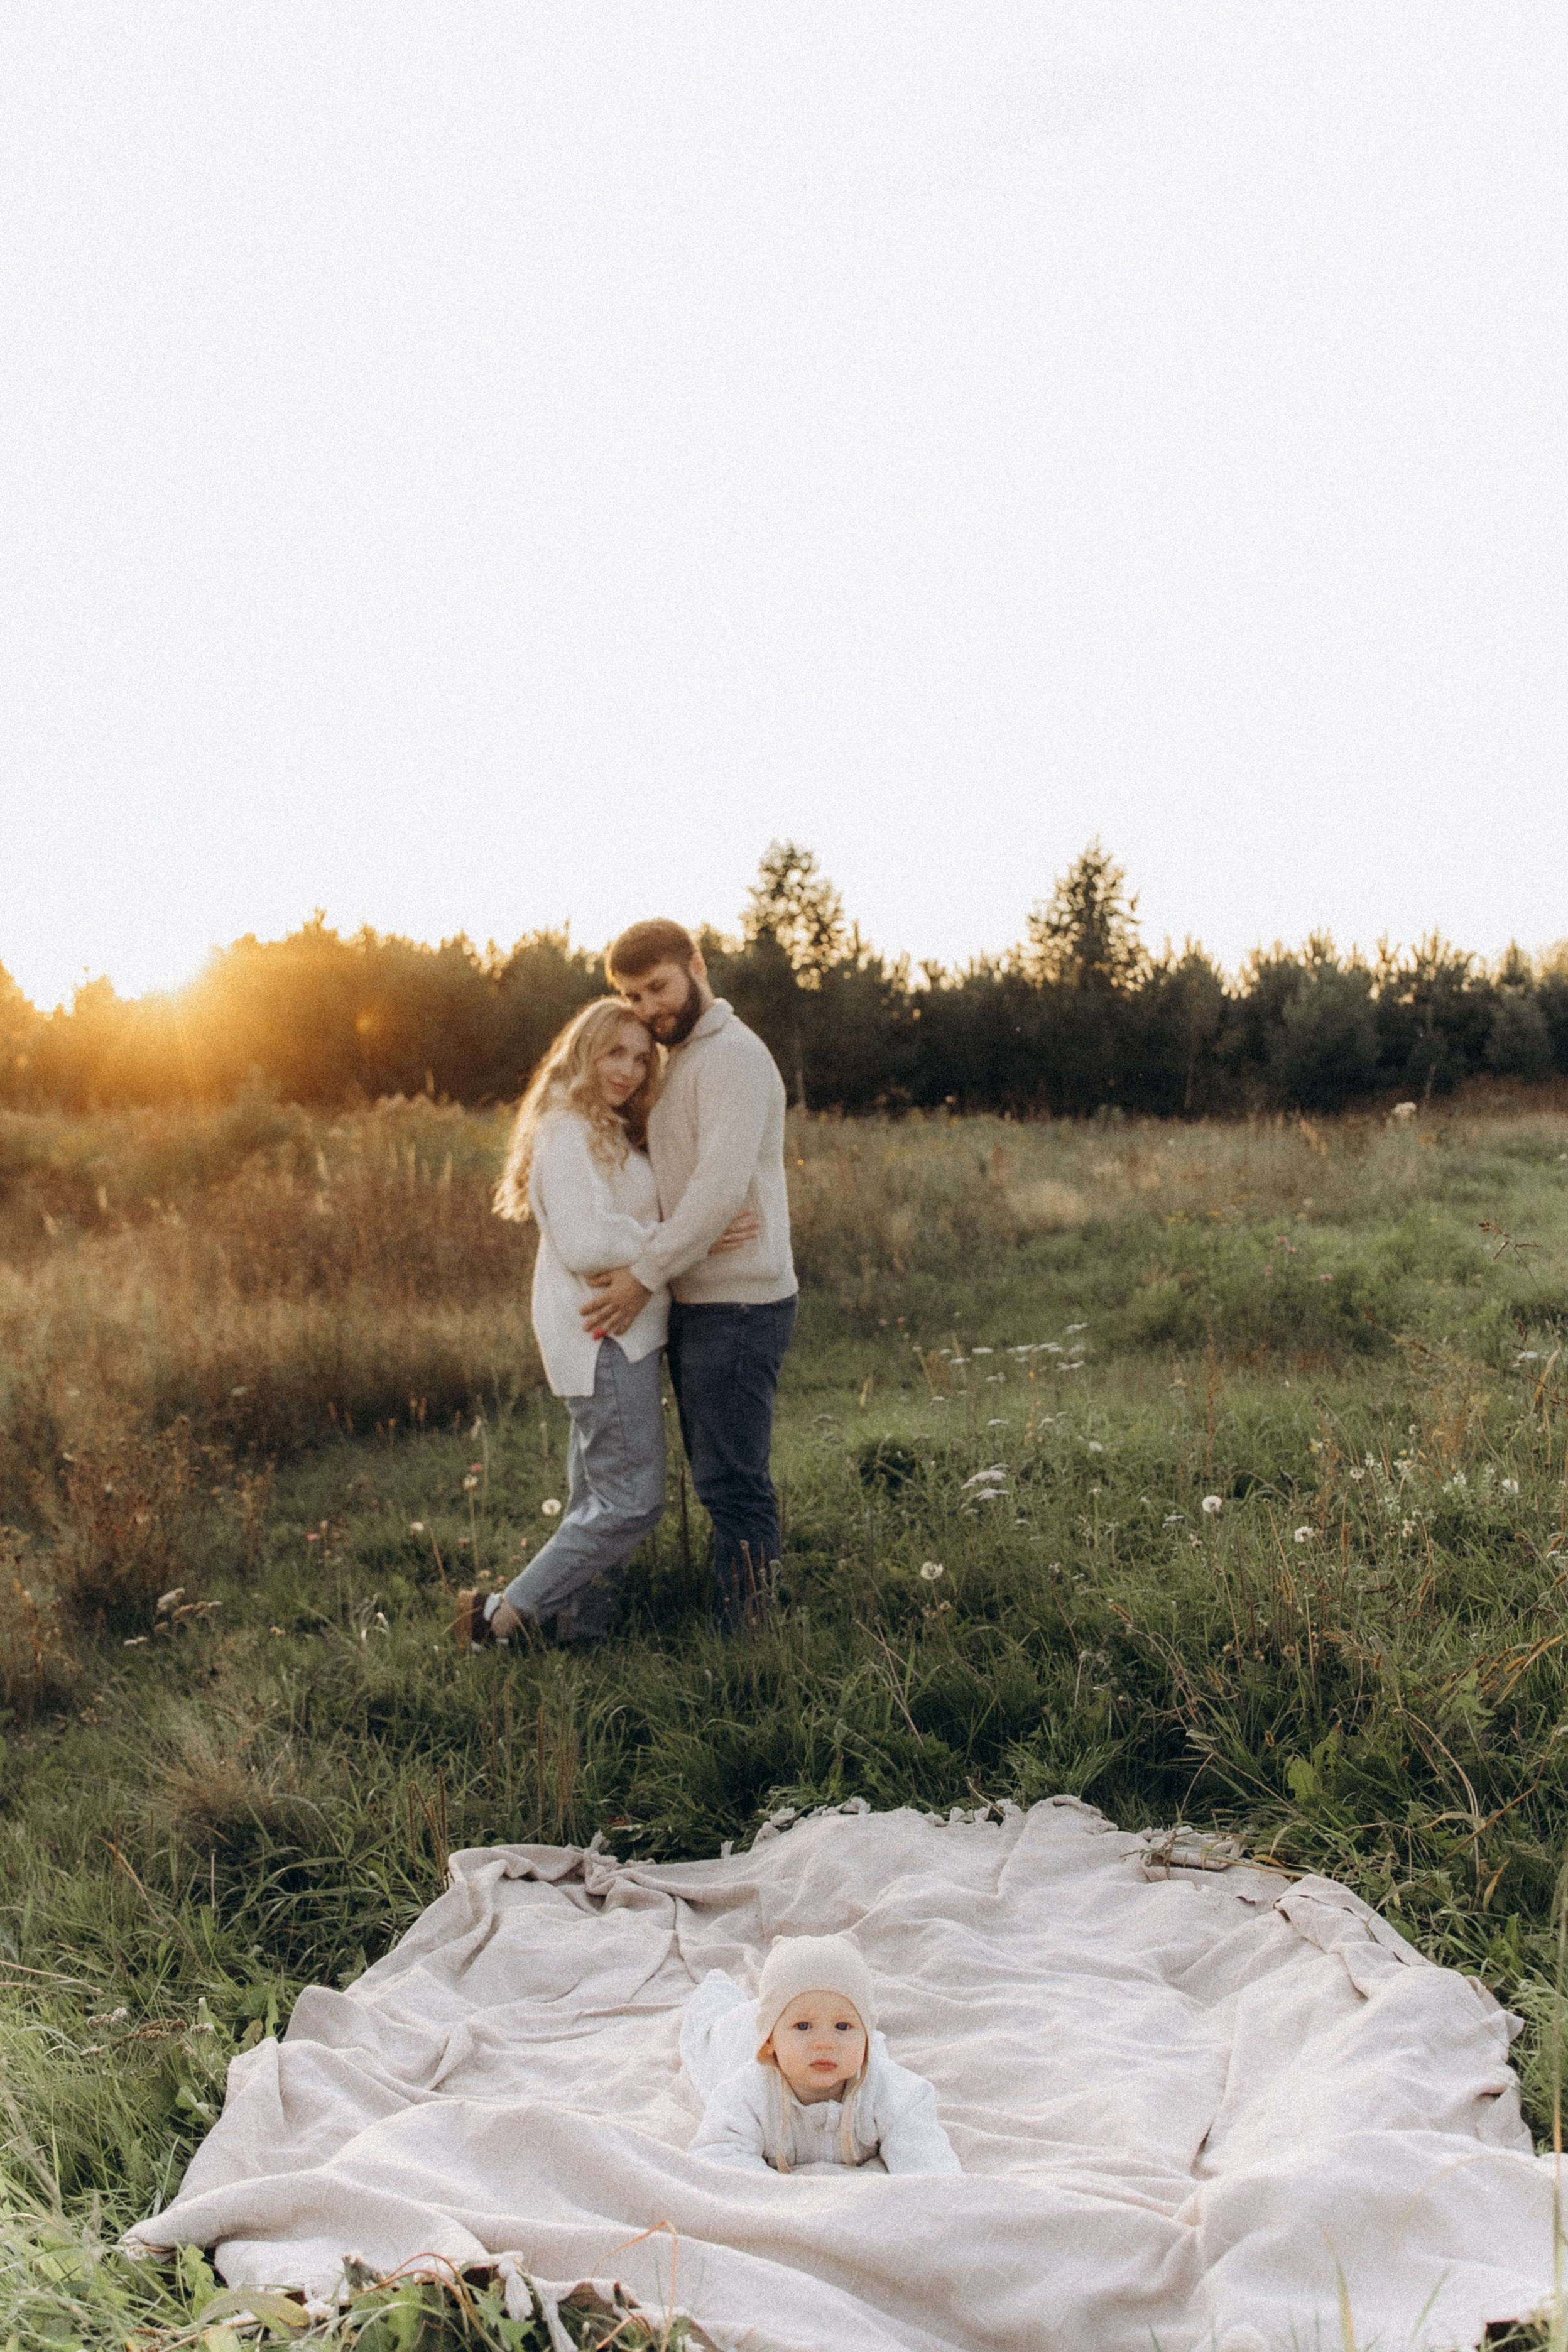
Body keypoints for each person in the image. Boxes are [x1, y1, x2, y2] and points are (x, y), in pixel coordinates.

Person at [458, 998, 751, 1650]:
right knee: (631, 1503)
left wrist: (672, 1237)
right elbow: (585, 1243)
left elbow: (616, 1229)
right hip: (601, 1337)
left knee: (596, 1500)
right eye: (615, 1052)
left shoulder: (610, 1128)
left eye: (642, 1059)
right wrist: (684, 1238)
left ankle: (579, 1636)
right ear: (584, 1049)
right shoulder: (564, 1129)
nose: (628, 1070)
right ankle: (496, 1619)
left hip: (626, 1331)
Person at [580, 919, 798, 1631]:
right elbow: (686, 1190)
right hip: (702, 1293)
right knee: (719, 1478)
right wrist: (686, 1246)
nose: (648, 1008)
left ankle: (748, 1644)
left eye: (659, 987)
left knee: (732, 1482)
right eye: (633, 996)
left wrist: (646, 1271)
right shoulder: (678, 1061)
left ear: (698, 966)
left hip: (739, 1305)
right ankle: (738, 1624)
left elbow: (717, 1190)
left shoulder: (733, 1057)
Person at [683, 1933, 961, 2175]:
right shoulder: (745, 2093)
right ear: (770, 2041)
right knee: (713, 2026)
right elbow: (717, 2158)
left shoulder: (893, 2091)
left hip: (787, 2021)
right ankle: (718, 1985)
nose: (825, 2044)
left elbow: (932, 2172)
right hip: (742, 2036)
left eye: (843, 2026)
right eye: (804, 2027)